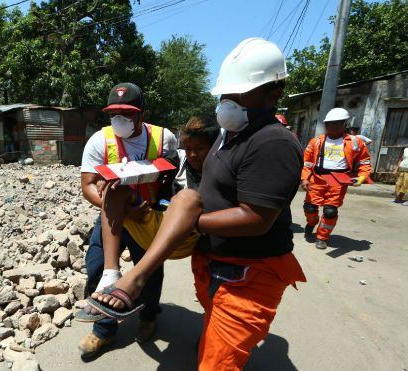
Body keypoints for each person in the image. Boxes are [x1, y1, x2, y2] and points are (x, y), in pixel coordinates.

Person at [88, 38, 307, 371]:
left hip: (247, 274)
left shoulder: (272, 142)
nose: (227, 102)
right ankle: (116, 275)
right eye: (224, 95)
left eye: (238, 95)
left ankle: (135, 280)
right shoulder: (230, 136)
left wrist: (189, 221)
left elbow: (257, 218)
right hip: (212, 261)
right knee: (211, 324)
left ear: (273, 93)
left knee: (217, 364)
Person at [78, 82, 178, 358]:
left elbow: (172, 178)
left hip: (147, 217)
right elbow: (87, 186)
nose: (120, 119)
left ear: (142, 113)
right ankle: (104, 329)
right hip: (112, 218)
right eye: (114, 113)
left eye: (127, 112)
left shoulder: (164, 138)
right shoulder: (100, 140)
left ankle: (147, 317)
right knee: (97, 266)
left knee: (149, 271)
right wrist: (120, 209)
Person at [301, 108, 372, 249]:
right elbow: (307, 163)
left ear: (344, 124)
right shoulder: (316, 141)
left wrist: (363, 177)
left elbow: (365, 162)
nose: (333, 126)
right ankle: (312, 223)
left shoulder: (355, 142)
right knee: (310, 208)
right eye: (330, 123)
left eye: (337, 123)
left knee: (330, 211)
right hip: (317, 179)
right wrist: (305, 178)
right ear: (326, 124)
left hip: (339, 181)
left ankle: (322, 237)